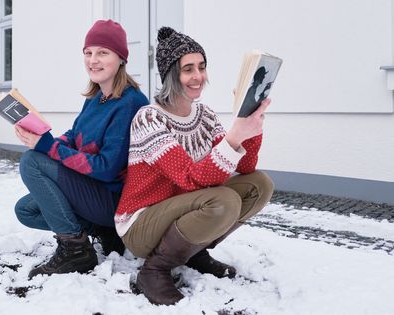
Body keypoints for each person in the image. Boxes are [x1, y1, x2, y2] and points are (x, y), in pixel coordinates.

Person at [114, 27, 274, 305]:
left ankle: (193, 252)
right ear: (171, 76)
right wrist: (234, 136)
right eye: (188, 69)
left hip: (183, 210)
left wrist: (251, 125)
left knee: (259, 185)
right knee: (222, 200)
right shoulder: (149, 119)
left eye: (201, 67)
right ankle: (154, 270)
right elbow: (190, 178)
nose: (198, 76)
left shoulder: (206, 115)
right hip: (141, 223)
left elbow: (245, 167)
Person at [14, 20, 149, 279]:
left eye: (102, 52)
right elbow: (74, 136)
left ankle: (75, 248)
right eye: (88, 53)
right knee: (26, 210)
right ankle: (103, 232)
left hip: (113, 200)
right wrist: (46, 140)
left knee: (31, 162)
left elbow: (107, 168)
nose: (93, 60)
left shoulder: (130, 102)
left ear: (121, 58)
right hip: (91, 192)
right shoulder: (96, 97)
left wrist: (48, 149)